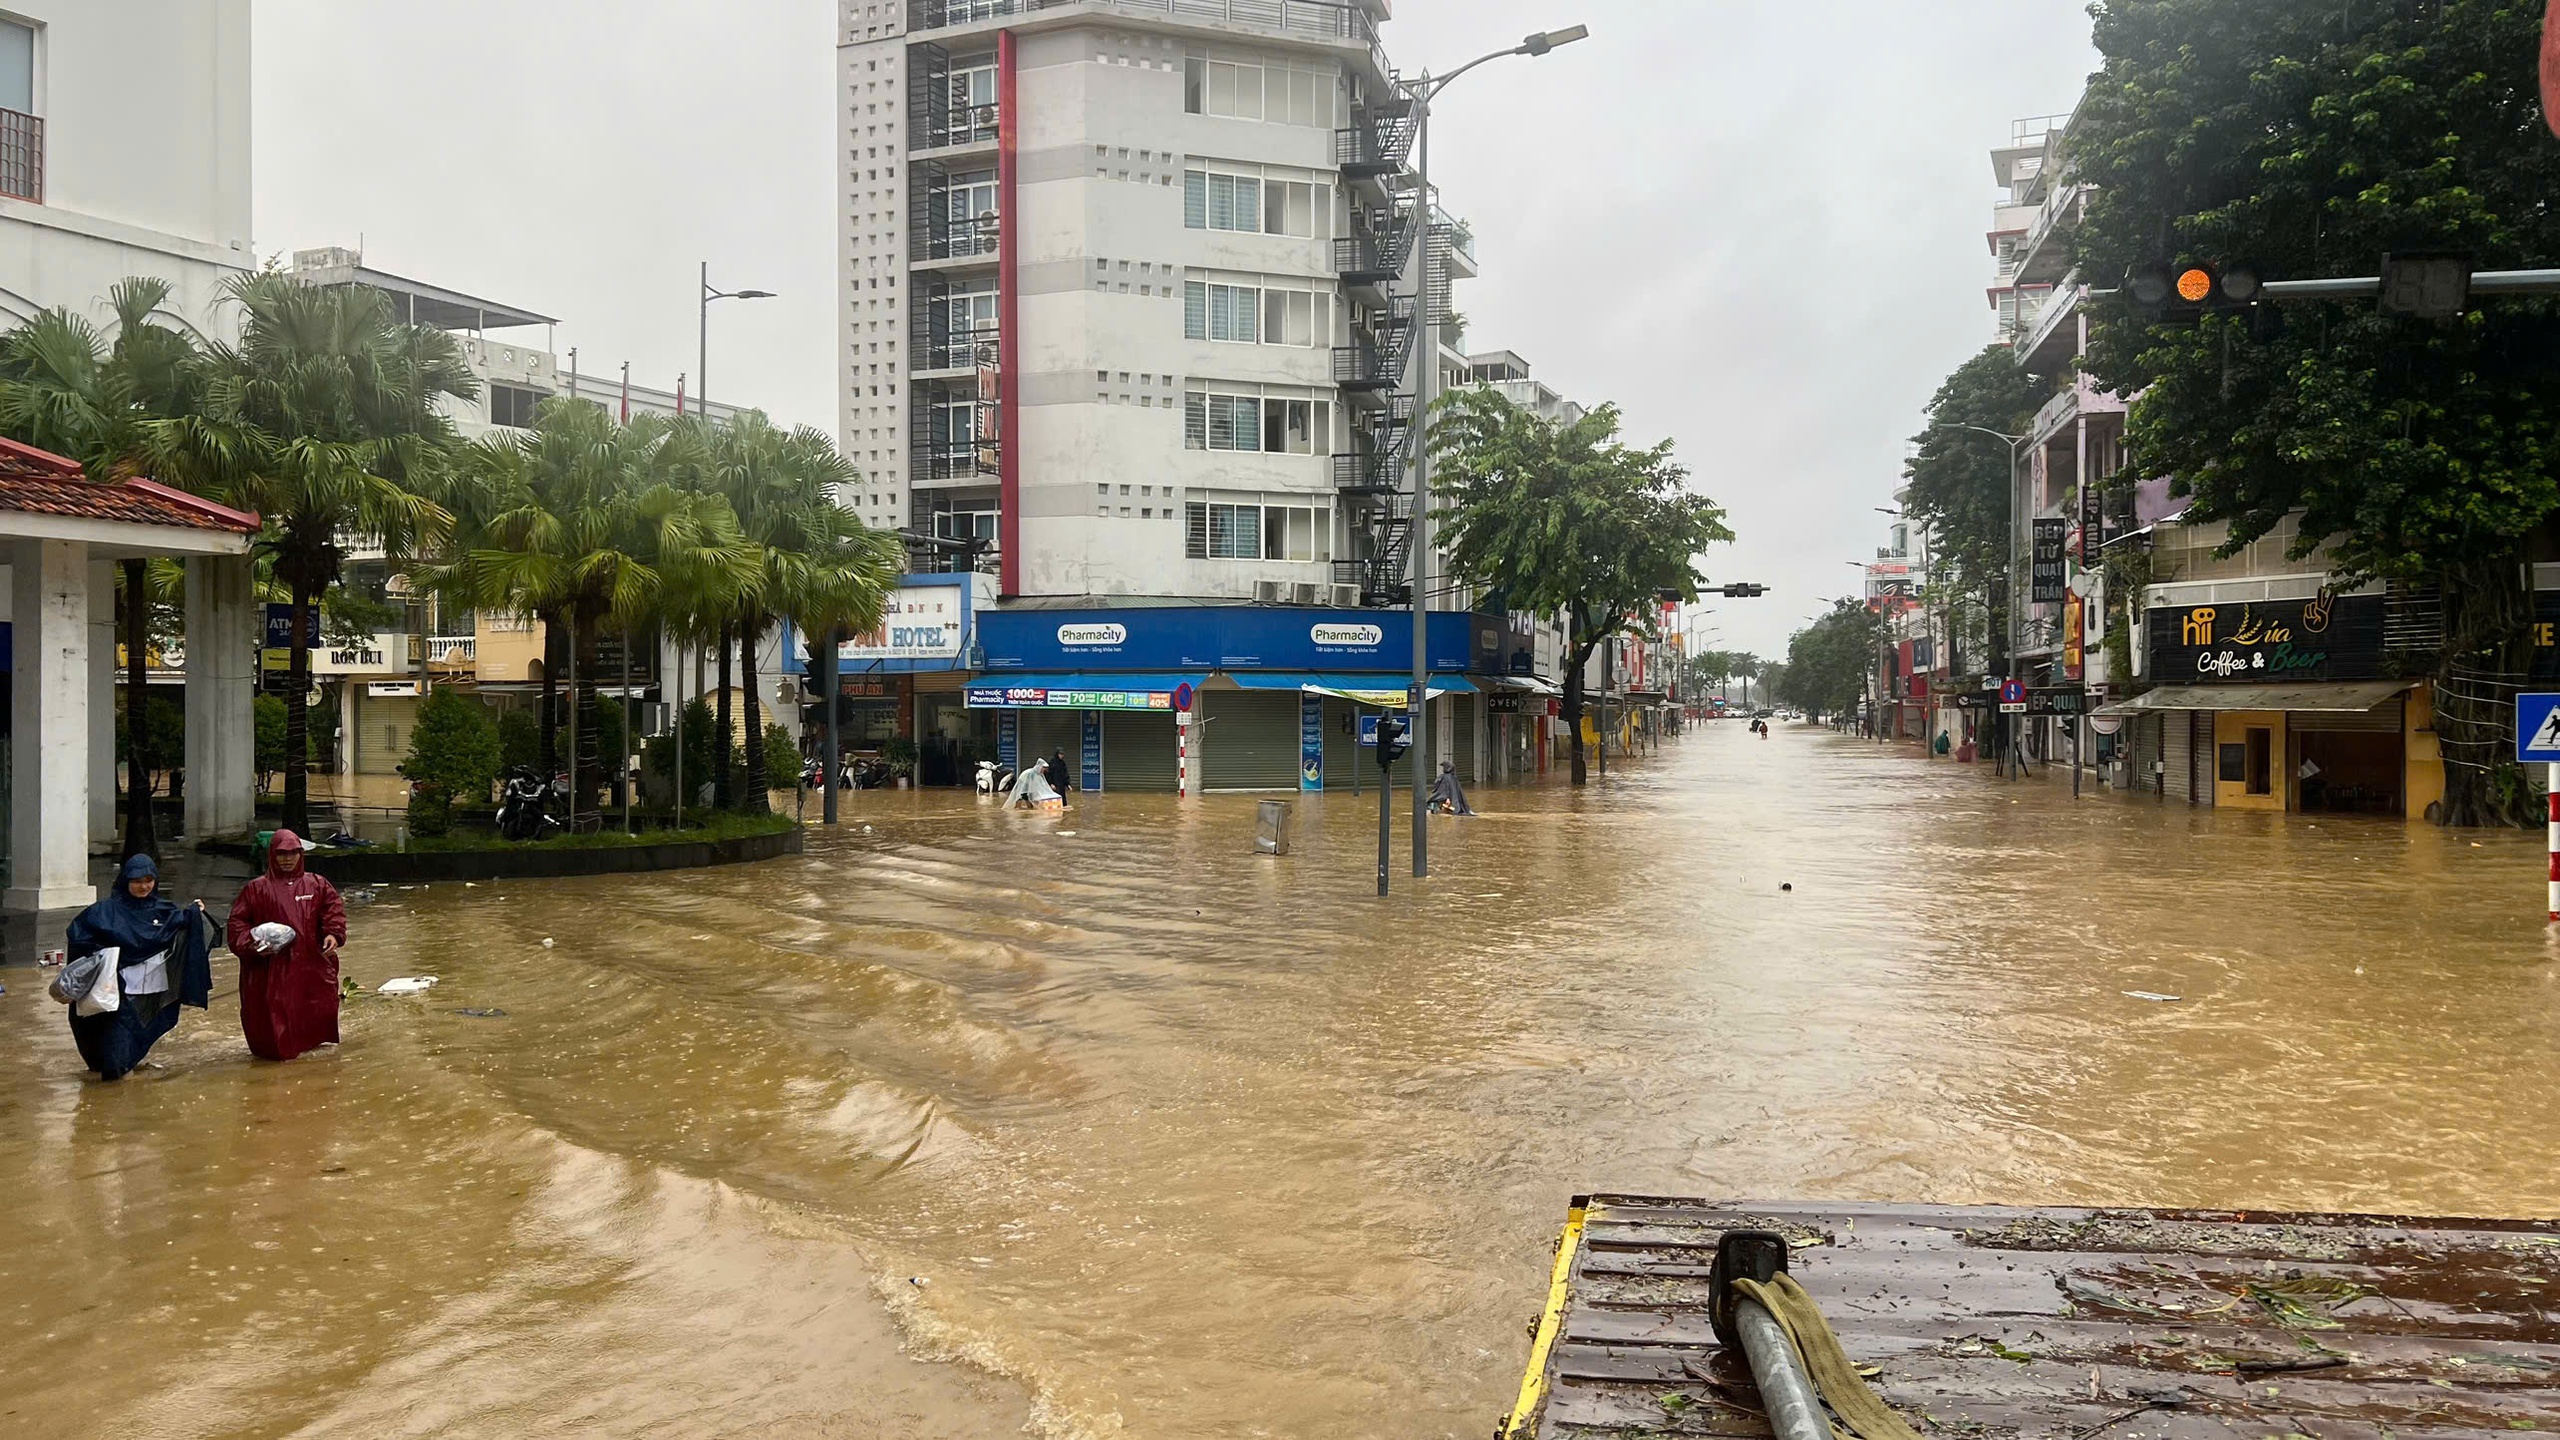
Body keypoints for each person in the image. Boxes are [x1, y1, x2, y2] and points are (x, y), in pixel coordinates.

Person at [64, 854, 210, 1081]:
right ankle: (117, 1076)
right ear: (125, 880)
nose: (143, 886)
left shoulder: (163, 910)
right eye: (137, 881)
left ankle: (124, 1073)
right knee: (115, 1042)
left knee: (137, 1032)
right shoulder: (103, 912)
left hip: (149, 991)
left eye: (148, 880)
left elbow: (177, 922)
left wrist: (192, 912)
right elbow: (78, 938)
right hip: (114, 991)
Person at [225, 830, 348, 1062]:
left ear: (301, 855)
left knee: (315, 1010)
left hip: (312, 963)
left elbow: (333, 912)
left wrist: (334, 935)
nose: (288, 859)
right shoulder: (256, 888)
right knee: (274, 1015)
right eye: (282, 853)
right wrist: (254, 945)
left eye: (293, 853)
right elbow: (237, 925)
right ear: (272, 855)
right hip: (271, 968)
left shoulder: (317, 884)